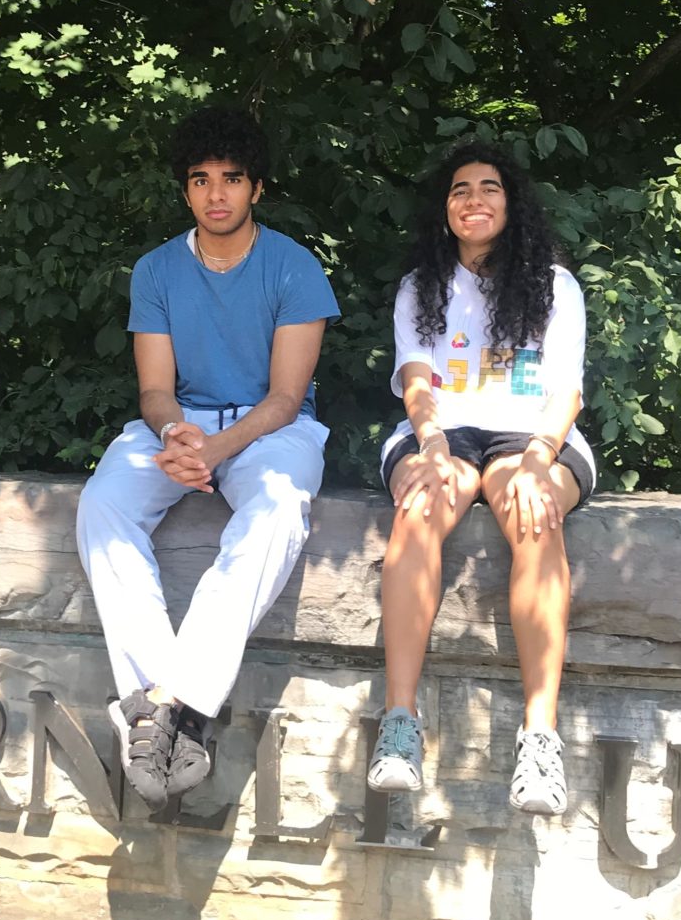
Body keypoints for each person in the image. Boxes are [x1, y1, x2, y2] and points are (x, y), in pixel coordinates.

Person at [76, 107, 339, 812]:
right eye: (200, 180)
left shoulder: (294, 267)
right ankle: (152, 702)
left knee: (280, 507)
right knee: (102, 501)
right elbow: (156, 389)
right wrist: (175, 438)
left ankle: (183, 702)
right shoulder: (157, 270)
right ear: (185, 190)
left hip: (269, 433)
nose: (216, 193)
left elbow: (286, 397)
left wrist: (219, 450)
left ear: (256, 187)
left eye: (231, 178)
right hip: (182, 425)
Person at [367, 141, 595, 816]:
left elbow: (568, 392)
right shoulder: (421, 287)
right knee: (418, 509)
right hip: (446, 427)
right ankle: (400, 724)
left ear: (511, 201)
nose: (474, 200)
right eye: (460, 189)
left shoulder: (554, 286)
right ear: (444, 209)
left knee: (535, 512)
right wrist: (430, 444)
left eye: (489, 187)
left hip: (533, 430)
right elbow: (414, 377)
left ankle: (540, 737)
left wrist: (537, 461)